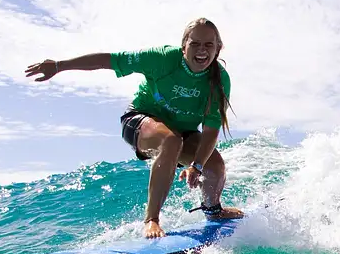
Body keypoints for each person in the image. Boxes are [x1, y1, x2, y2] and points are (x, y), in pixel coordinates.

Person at [24, 17, 244, 238]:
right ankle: (152, 220)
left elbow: (210, 130)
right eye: (195, 43)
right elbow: (109, 60)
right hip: (140, 122)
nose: (201, 51)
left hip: (183, 132)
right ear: (183, 46)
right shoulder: (162, 59)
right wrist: (60, 66)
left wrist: (196, 166)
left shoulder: (219, 80)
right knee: (171, 140)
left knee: (214, 165)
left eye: (208, 45)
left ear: (218, 48)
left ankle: (213, 211)